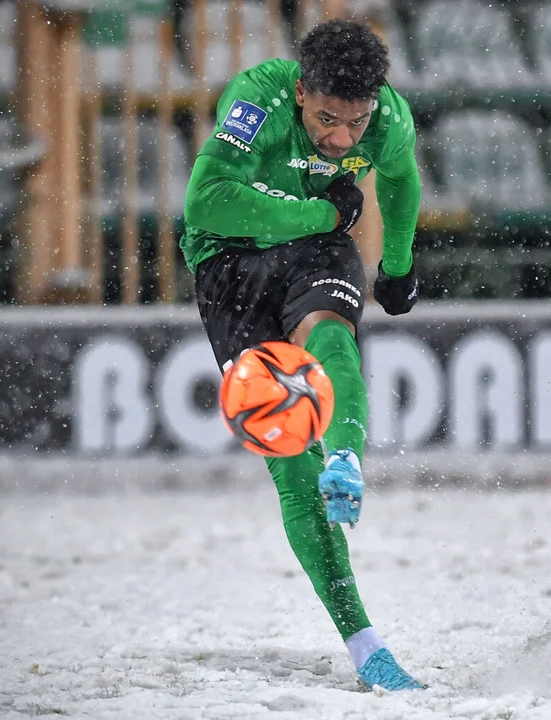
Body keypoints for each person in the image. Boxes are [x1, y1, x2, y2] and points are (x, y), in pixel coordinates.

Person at [180, 20, 423, 691]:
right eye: (325, 120)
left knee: (332, 337)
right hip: (226, 264)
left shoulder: (388, 120)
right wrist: (319, 215)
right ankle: (361, 636)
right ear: (299, 92)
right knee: (289, 463)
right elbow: (207, 201)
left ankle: (346, 455)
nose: (343, 138)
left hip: (315, 253)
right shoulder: (255, 101)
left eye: (356, 122)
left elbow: (400, 182)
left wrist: (398, 265)